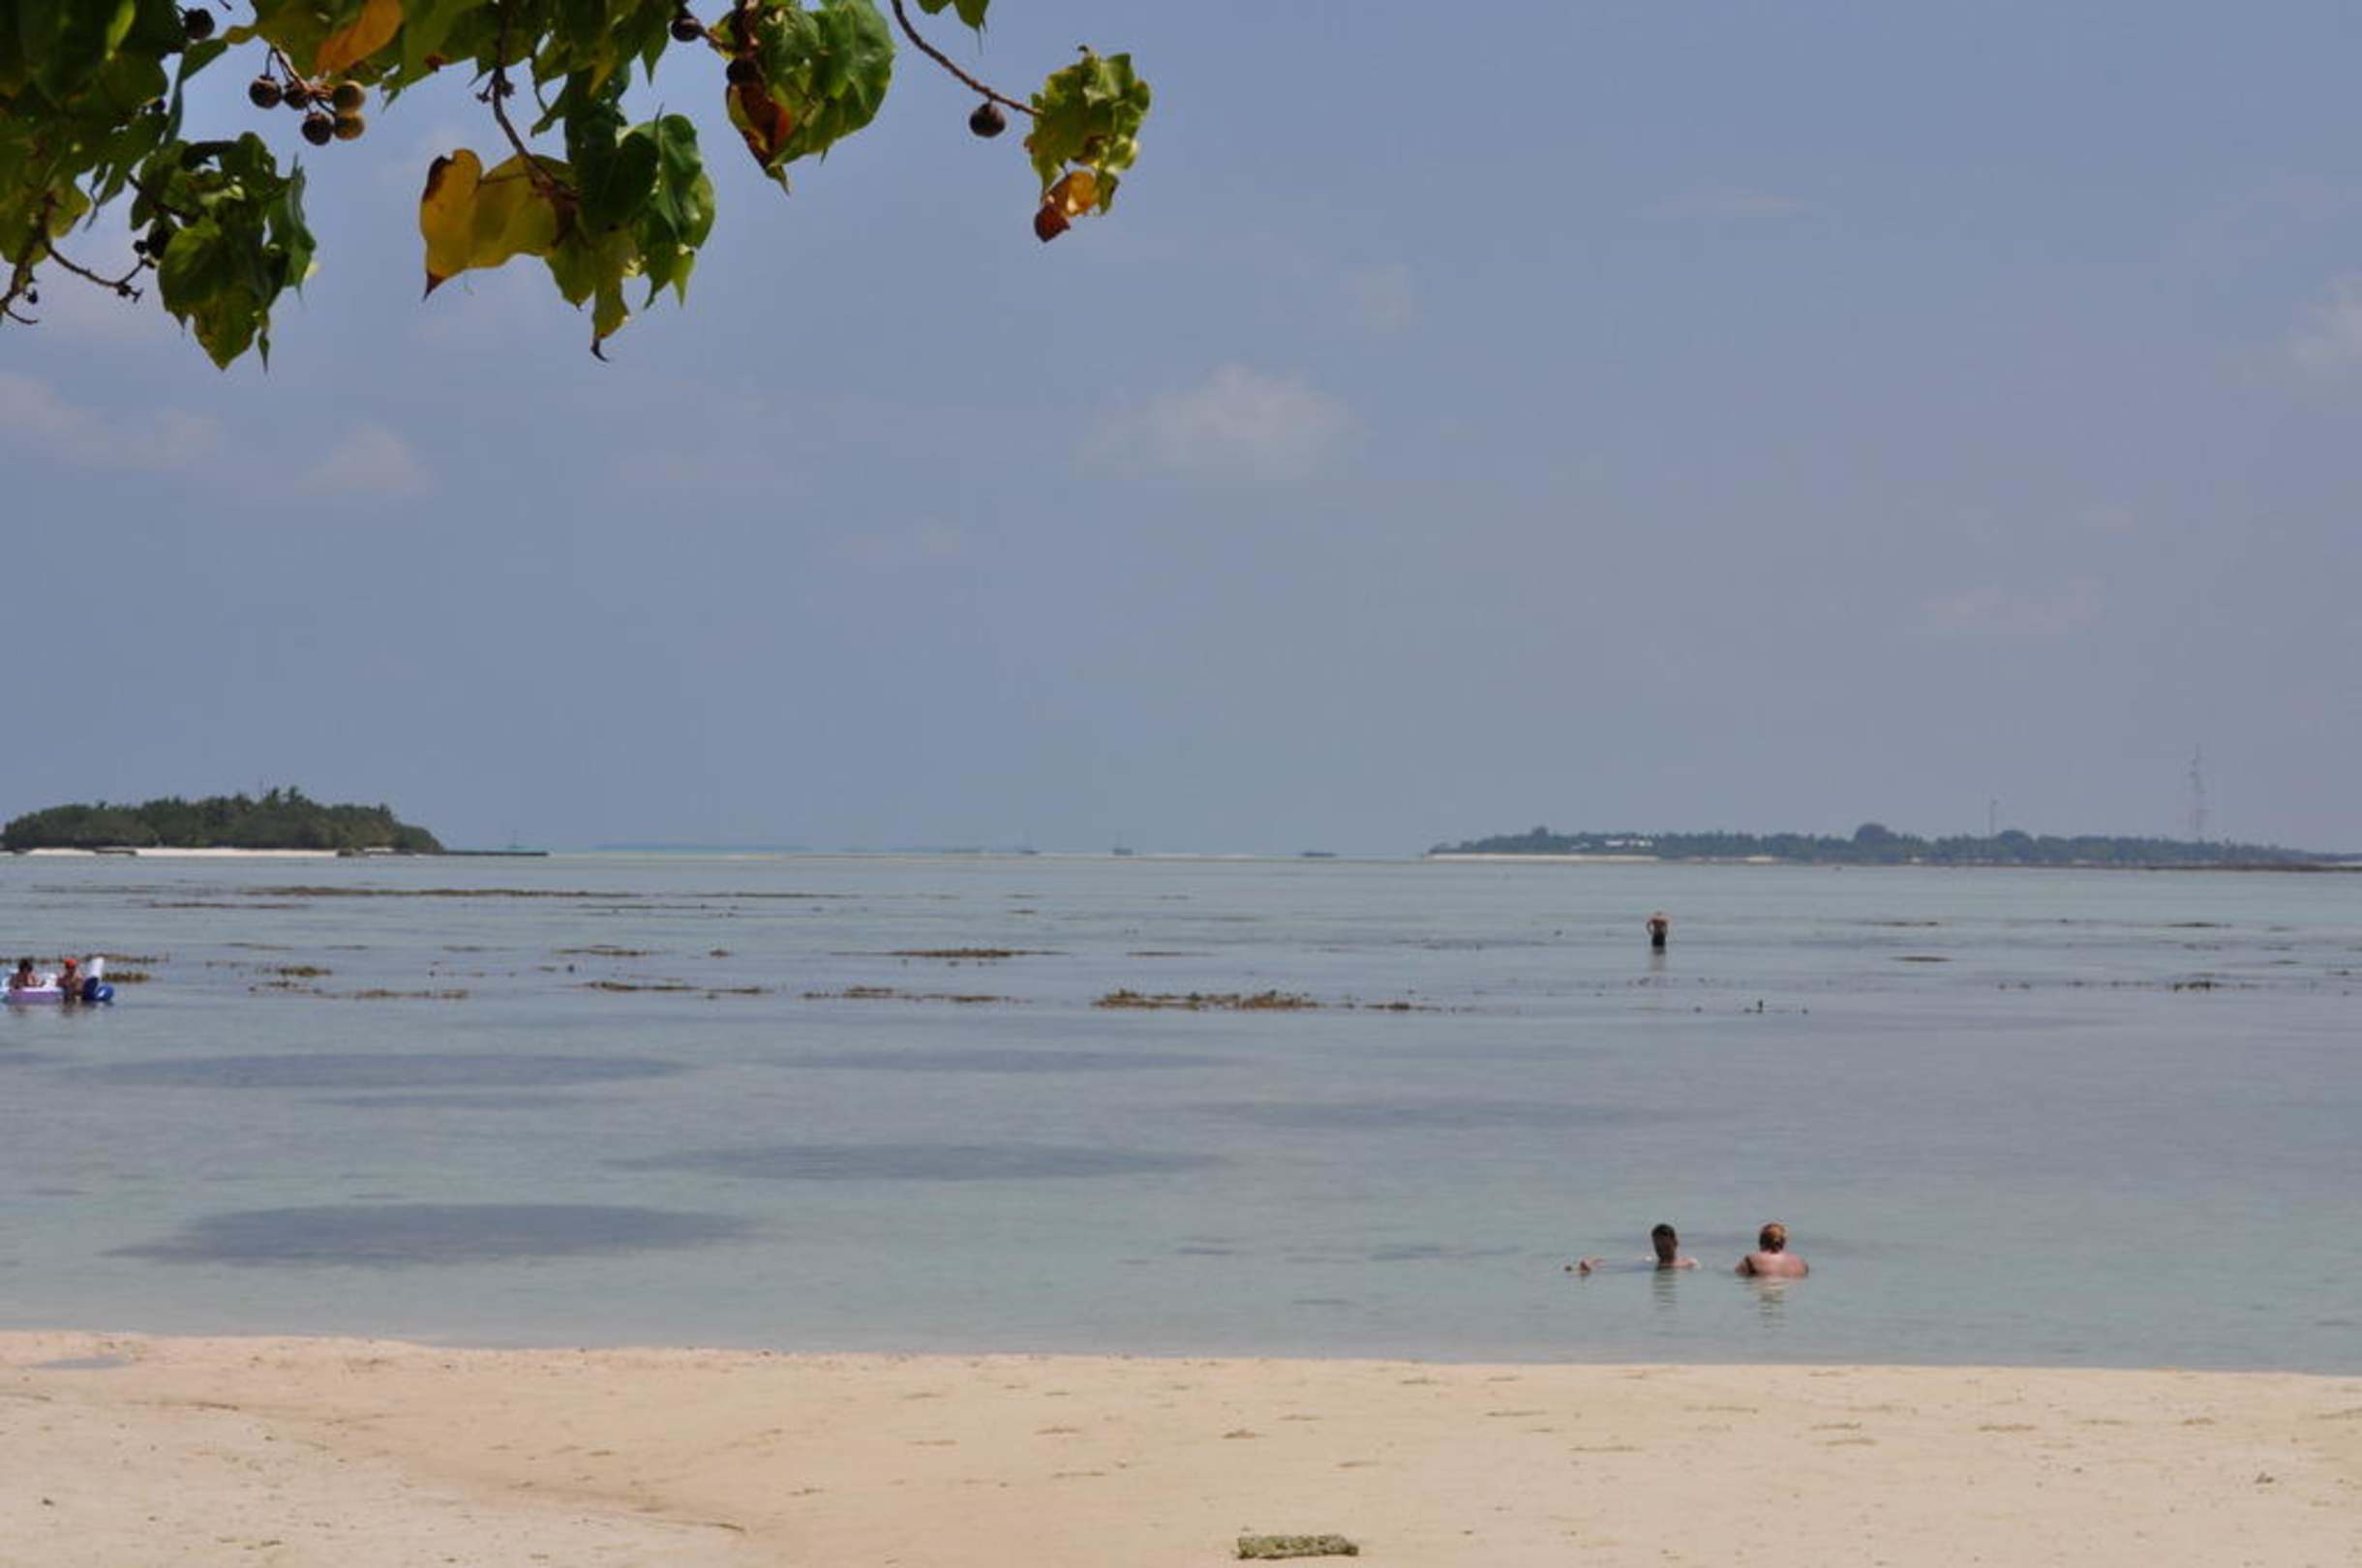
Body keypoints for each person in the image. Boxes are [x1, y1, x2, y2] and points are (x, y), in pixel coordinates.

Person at [1572, 1222, 1698, 1274]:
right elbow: (1615, 1263)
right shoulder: (1649, 1261)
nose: (1661, 1251)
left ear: (1675, 1243)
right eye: (1657, 1247)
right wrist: (1590, 1262)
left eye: (1665, 1246)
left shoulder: (1689, 1264)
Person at [1736, 1221, 1808, 1278]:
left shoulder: (1750, 1261)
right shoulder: (1801, 1263)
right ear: (1784, 1242)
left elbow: (1738, 1274)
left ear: (1761, 1241)